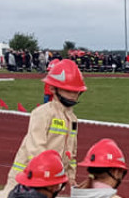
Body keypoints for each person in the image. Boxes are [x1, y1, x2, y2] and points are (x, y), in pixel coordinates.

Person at [6, 59, 85, 188]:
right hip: (27, 178)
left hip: (50, 180)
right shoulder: (43, 113)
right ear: (54, 89)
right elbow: (36, 148)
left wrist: (70, 175)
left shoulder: (72, 119)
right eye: (68, 91)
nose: (73, 95)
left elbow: (71, 152)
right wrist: (47, 173)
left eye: (76, 92)